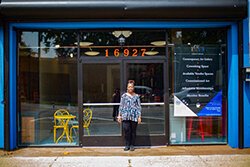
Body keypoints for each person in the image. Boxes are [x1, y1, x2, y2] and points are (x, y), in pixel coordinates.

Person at [117, 80, 142, 151]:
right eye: (129, 87)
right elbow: (121, 106)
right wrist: (119, 115)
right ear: (127, 88)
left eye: (131, 87)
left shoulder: (136, 96)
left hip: (134, 116)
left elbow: (138, 107)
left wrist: (139, 116)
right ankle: (127, 144)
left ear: (133, 88)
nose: (130, 88)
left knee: (133, 131)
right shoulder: (124, 96)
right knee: (126, 130)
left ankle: (132, 145)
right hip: (125, 116)